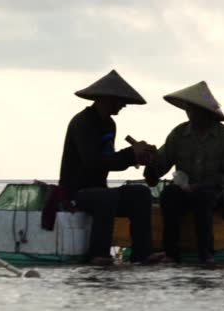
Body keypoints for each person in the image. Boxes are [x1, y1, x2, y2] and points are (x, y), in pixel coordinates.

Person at [58, 70, 159, 266]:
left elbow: (110, 161)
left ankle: (142, 253)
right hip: (76, 192)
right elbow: (94, 163)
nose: (124, 105)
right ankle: (98, 253)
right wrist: (130, 154)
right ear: (107, 98)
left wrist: (136, 156)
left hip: (100, 193)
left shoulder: (109, 124)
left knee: (141, 194)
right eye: (120, 100)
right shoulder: (83, 123)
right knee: (107, 197)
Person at [144, 81, 224, 264]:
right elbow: (162, 163)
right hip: (183, 192)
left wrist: (199, 187)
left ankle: (206, 254)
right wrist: (151, 165)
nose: (190, 114)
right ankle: (171, 253)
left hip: (214, 193)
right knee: (169, 195)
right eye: (189, 110)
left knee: (203, 197)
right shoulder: (179, 134)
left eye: (194, 110)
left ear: (207, 112)